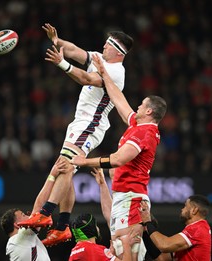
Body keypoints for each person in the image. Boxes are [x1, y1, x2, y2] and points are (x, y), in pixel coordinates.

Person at [18, 23, 134, 247]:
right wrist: (57, 40)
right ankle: (61, 228)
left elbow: (87, 79)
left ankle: (46, 214)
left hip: (91, 125)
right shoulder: (102, 59)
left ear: (117, 51)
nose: (103, 47)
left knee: (66, 167)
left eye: (107, 45)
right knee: (66, 168)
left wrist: (61, 63)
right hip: (80, 123)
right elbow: (75, 50)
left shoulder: (117, 72)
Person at [71, 54, 167, 260]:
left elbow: (117, 160)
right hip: (124, 195)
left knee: (126, 251)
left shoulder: (145, 134)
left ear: (149, 111)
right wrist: (105, 75)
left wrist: (84, 161)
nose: (137, 107)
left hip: (133, 198)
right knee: (117, 249)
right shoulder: (138, 125)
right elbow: (119, 100)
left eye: (142, 105)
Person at [138, 195, 212, 261]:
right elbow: (162, 258)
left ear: (194, 210)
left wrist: (148, 222)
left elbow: (164, 245)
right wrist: (145, 229)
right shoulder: (198, 229)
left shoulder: (198, 228)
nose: (182, 209)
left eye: (185, 206)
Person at [69, 213, 139, 261]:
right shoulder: (94, 249)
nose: (98, 228)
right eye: (96, 226)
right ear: (92, 229)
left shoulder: (74, 251)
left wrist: (110, 255)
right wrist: (126, 244)